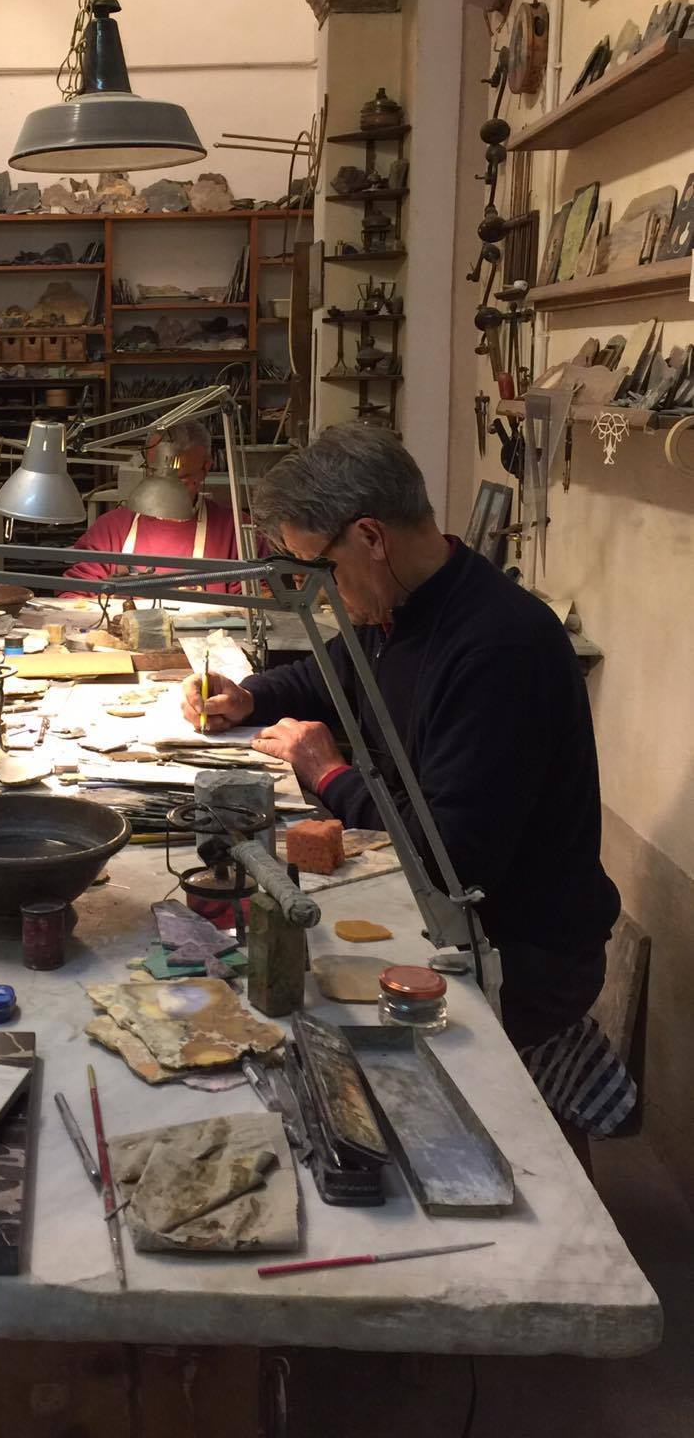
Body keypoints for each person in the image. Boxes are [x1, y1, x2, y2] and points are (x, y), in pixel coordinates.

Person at [180, 424, 634, 1139]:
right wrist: (248, 696)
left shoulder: (499, 647)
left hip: (520, 951)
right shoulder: (396, 607)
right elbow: (325, 676)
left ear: (370, 537)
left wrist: (329, 774)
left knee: (308, 1052)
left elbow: (450, 856)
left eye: (319, 569)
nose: (318, 593)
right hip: (457, 909)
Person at [65, 419, 243, 591]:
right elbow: (73, 591)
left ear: (206, 468)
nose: (166, 489)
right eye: (154, 474)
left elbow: (252, 598)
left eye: (180, 479)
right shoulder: (111, 529)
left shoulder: (233, 531)